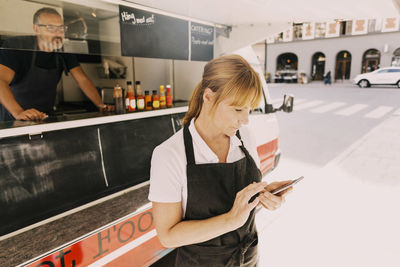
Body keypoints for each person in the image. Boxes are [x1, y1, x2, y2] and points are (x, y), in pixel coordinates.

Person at [149, 55, 293, 266]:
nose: (245, 120)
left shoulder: (246, 137)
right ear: (208, 96)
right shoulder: (169, 154)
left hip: (249, 259)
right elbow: (168, 235)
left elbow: (242, 199)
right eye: (237, 109)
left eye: (249, 110)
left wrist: (264, 195)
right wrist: (230, 220)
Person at [0, 7, 109, 121]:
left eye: (61, 28)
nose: (58, 33)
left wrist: (101, 105)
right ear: (36, 29)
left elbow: (82, 79)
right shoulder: (17, 45)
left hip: (45, 118)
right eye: (51, 28)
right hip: (13, 120)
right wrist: (18, 112)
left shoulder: (63, 50)